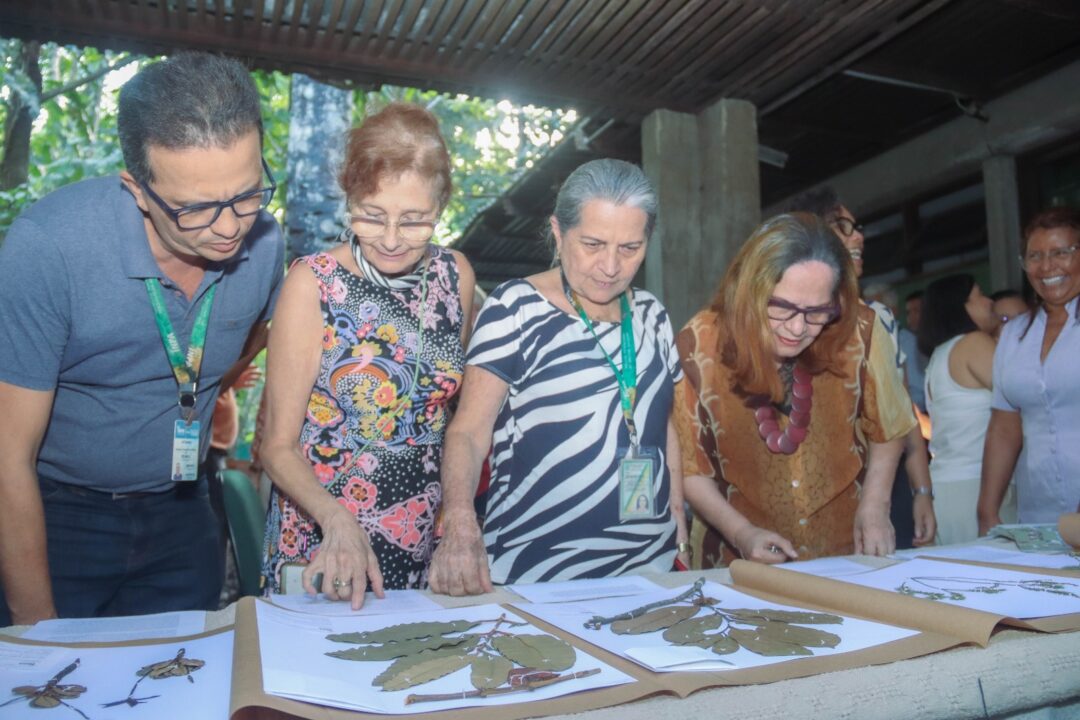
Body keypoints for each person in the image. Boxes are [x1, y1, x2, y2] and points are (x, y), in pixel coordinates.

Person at [0, 52, 284, 625]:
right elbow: (7, 456)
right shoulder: (48, 250)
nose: (229, 228)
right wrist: (39, 637)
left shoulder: (266, 244)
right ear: (136, 189)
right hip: (58, 515)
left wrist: (211, 381)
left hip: (184, 510)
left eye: (248, 194)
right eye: (194, 209)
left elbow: (254, 332)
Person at [429, 159, 688, 594]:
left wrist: (678, 520)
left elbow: (661, 425)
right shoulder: (516, 308)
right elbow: (469, 433)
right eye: (592, 244)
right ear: (558, 231)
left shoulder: (651, 315)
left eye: (630, 248)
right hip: (538, 569)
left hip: (648, 567)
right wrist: (459, 522)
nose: (610, 266)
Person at [260, 103, 474, 607]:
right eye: (373, 217)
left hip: (420, 533)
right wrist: (337, 521)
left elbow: (449, 414)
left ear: (440, 206)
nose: (394, 240)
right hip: (323, 537)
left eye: (416, 221)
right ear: (349, 196)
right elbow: (276, 446)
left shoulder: (455, 276)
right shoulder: (312, 284)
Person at [675, 213, 916, 565]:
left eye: (817, 311)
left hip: (845, 551)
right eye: (781, 308)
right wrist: (742, 533)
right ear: (750, 292)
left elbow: (888, 425)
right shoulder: (700, 342)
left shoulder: (858, 328)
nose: (798, 327)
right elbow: (691, 469)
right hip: (737, 560)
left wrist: (876, 505)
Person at [785, 187, 935, 549]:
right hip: (804, 494)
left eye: (857, 227)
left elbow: (900, 415)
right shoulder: (781, 318)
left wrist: (922, 491)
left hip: (877, 490)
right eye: (844, 227)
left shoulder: (875, 320)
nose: (858, 236)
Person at [979, 208, 1080, 532]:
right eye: (1035, 256)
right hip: (1039, 511)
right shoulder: (1014, 333)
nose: (1047, 266)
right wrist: (987, 510)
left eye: (1061, 252)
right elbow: (1004, 427)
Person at [919, 274, 1013, 544]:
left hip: (948, 487)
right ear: (960, 307)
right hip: (978, 487)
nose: (989, 301)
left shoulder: (940, 354)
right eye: (980, 294)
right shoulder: (973, 344)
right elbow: (1022, 400)